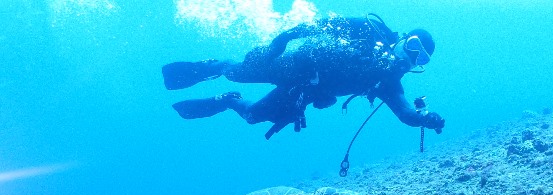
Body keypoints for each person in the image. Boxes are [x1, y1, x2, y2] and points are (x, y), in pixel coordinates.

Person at [162, 14, 445, 139]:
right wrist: (284, 38)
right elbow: (322, 24)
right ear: (403, 38)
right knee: (237, 72)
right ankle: (215, 66)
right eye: (413, 46)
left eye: (421, 58)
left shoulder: (388, 82)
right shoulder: (368, 30)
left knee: (252, 116)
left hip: (302, 92)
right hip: (290, 64)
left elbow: (405, 112)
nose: (412, 56)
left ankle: (227, 100)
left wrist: (424, 118)